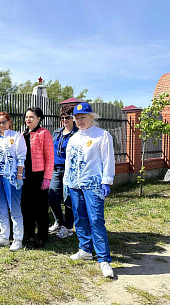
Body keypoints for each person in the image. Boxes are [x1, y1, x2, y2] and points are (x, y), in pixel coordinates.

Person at [63, 103, 115, 278]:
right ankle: (85, 248)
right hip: (75, 184)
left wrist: (106, 181)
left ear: (91, 117)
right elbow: (68, 162)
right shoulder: (73, 138)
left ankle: (103, 259)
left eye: (83, 117)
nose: (79, 121)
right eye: (77, 118)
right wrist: (66, 182)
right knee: (79, 217)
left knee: (96, 220)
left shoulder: (102, 136)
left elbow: (108, 160)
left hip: (93, 184)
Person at [0, 112, 27, 251]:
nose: (1, 125)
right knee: (1, 208)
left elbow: (21, 158)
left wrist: (19, 176)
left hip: (12, 178)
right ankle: (4, 236)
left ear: (9, 122)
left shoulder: (16, 136)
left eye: (4, 122)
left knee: (14, 208)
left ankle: (17, 238)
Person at [21, 108, 54, 248]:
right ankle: (28, 234)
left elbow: (50, 157)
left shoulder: (44, 133)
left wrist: (47, 178)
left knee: (40, 208)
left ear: (38, 118)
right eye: (27, 117)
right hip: (25, 176)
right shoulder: (23, 134)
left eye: (31, 117)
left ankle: (42, 236)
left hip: (39, 175)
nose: (28, 119)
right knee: (26, 207)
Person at [48, 105, 78, 239]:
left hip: (69, 170)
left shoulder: (77, 134)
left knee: (68, 200)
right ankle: (59, 222)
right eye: (63, 118)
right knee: (52, 198)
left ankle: (68, 227)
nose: (65, 120)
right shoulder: (57, 132)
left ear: (73, 118)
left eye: (68, 117)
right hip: (55, 169)